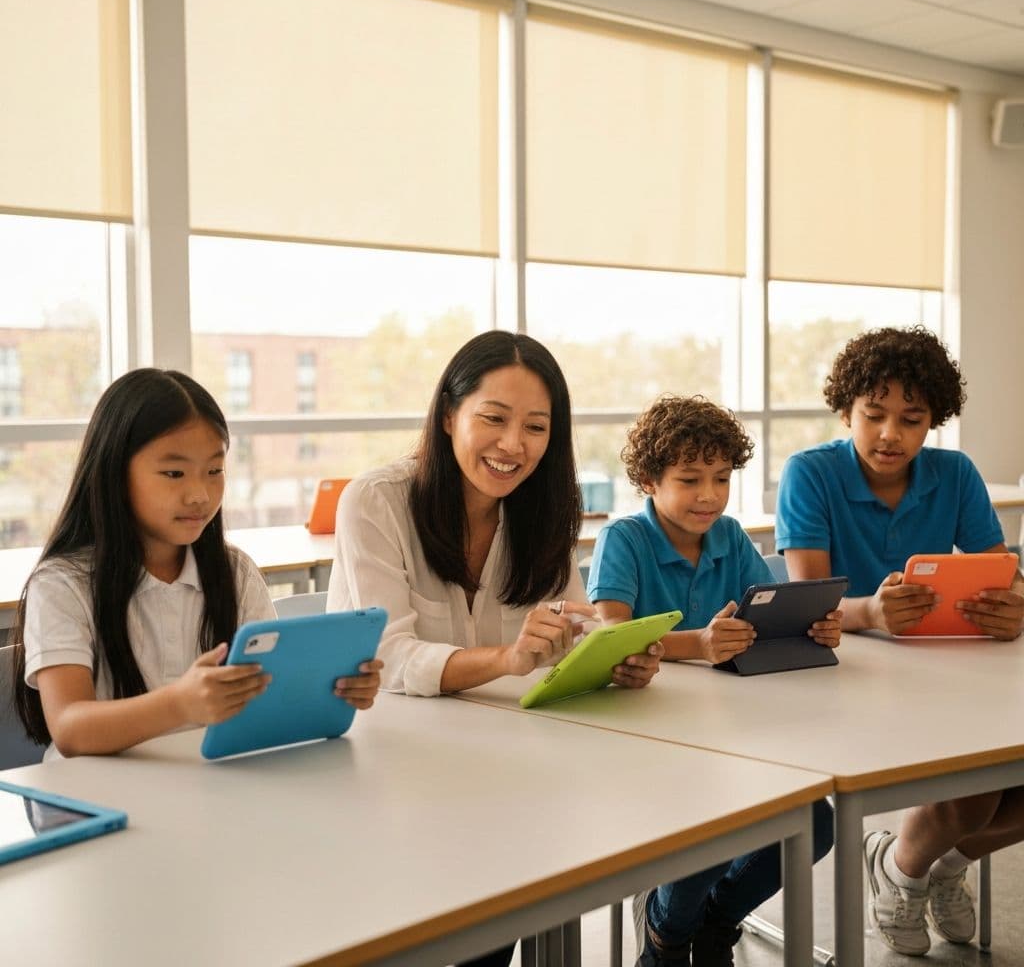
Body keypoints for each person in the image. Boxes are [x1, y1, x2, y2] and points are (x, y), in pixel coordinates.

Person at [327, 330, 662, 967]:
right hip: (395, 778)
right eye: (493, 419)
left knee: (500, 925)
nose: (513, 445)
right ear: (449, 413)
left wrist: (614, 656)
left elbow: (574, 622)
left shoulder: (540, 509)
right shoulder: (376, 501)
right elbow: (389, 657)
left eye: (536, 427)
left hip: (507, 772)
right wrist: (509, 659)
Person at [776, 325, 1024, 957]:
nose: (891, 434)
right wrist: (871, 611)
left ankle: (920, 869)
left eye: (911, 419)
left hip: (946, 669)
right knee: (980, 785)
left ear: (932, 421)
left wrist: (1012, 609)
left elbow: (1001, 574)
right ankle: (908, 871)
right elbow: (809, 604)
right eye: (874, 415)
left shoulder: (956, 473)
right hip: (844, 674)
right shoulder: (809, 473)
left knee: (1005, 780)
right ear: (845, 411)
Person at [587, 394, 839, 967]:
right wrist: (698, 645)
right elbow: (611, 638)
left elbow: (762, 617)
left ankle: (716, 920)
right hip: (649, 736)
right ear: (650, 480)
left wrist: (809, 625)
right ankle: (666, 933)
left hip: (733, 730)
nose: (709, 495)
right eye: (690, 479)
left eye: (721, 478)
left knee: (817, 823)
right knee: (709, 824)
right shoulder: (623, 540)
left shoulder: (728, 535)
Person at [13, 369, 381, 760]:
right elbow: (70, 728)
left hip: (206, 785)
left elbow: (267, 697)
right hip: (94, 796)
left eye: (215, 471)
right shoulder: (62, 584)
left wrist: (329, 690)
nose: (199, 495)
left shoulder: (235, 571)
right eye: (174, 473)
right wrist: (178, 705)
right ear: (114, 472)